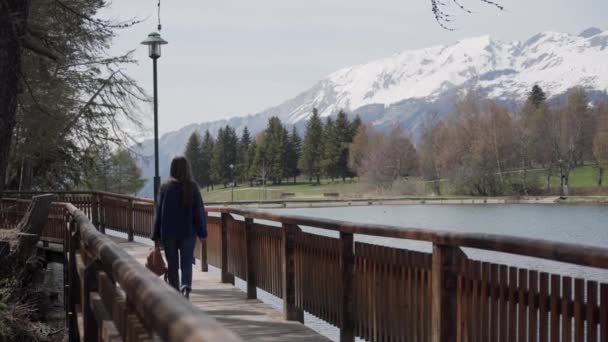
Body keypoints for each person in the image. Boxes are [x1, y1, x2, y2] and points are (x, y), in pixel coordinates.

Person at [151, 156, 207, 299]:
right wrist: (202, 233)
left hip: (169, 234)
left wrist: (155, 235)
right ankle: (186, 288)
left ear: (172, 169)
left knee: (173, 264)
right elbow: (199, 212)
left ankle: (175, 293)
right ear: (187, 169)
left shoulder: (165, 188)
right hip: (188, 233)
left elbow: (158, 213)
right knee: (187, 262)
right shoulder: (192, 187)